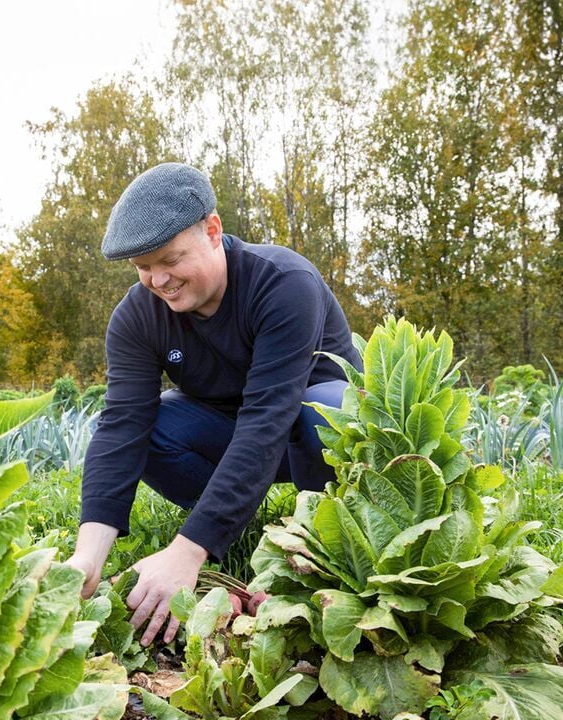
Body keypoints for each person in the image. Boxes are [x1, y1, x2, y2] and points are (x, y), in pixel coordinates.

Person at [66, 162, 361, 647]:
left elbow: (268, 418)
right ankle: (232, 517)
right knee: (153, 425)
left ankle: (320, 532)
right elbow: (121, 426)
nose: (159, 280)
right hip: (230, 433)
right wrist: (87, 558)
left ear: (212, 230)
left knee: (323, 408)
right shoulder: (137, 317)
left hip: (312, 435)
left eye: (170, 259)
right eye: (143, 267)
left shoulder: (284, 283)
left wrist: (188, 550)